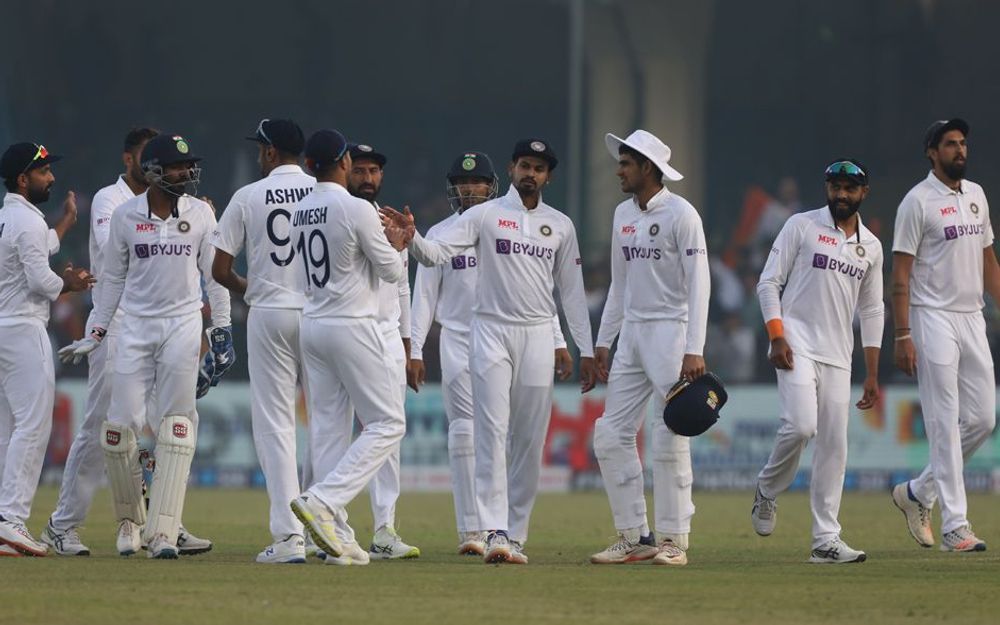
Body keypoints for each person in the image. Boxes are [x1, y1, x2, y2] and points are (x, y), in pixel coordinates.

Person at [389, 138, 596, 565]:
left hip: (537, 333)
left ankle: (515, 533)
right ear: (513, 168)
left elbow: (568, 293)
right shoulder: (485, 215)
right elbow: (435, 256)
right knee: (488, 431)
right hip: (489, 332)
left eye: (538, 168)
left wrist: (583, 347)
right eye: (524, 165)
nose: (530, 174)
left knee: (529, 438)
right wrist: (412, 240)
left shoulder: (560, 225)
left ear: (548, 176)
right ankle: (492, 529)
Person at [58, 133, 233, 559]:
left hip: (183, 324)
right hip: (134, 327)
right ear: (154, 171)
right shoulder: (124, 216)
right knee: (119, 431)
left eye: (187, 166)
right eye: (176, 167)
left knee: (176, 427)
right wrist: (96, 333)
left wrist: (222, 331)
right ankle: (129, 522)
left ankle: (164, 533)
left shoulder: (203, 215)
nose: (185, 173)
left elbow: (215, 278)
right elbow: (112, 280)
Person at [751, 159, 883, 564]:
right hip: (796, 343)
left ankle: (825, 540)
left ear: (863, 193)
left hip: (839, 355)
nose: (841, 195)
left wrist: (873, 372)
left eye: (850, 188)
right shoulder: (801, 226)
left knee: (833, 446)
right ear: (826, 189)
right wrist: (777, 335)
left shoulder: (872, 247)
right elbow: (768, 282)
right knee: (800, 426)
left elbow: (873, 309)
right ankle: (768, 488)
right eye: (835, 187)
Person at [588, 130, 710, 567]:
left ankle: (675, 540)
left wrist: (694, 348)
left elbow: (700, 284)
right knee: (610, 434)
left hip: (670, 333)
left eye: (626, 164)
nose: (619, 170)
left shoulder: (682, 214)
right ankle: (636, 535)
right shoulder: (622, 213)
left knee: (669, 434)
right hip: (633, 337)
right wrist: (605, 339)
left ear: (648, 168)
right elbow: (619, 284)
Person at [288, 129, 409, 567]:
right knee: (388, 423)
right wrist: (399, 244)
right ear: (342, 162)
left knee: (328, 429)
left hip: (313, 321)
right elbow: (392, 271)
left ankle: (337, 536)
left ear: (308, 166)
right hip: (350, 323)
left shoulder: (301, 207)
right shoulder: (355, 207)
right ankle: (323, 500)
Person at [890, 119, 995, 553]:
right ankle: (956, 525)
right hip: (932, 317)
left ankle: (918, 492)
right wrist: (902, 334)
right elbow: (899, 274)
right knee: (944, 424)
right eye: (951, 144)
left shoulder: (976, 195)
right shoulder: (916, 202)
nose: (960, 150)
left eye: (963, 143)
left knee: (983, 419)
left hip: (973, 316)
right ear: (932, 152)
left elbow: (990, 260)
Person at [212, 118, 314, 564]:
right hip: (323, 314)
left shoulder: (248, 196)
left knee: (275, 424)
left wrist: (247, 288)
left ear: (272, 152)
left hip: (269, 311)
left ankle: (290, 537)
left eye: (261, 148)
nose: (258, 155)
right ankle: (331, 529)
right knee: (328, 423)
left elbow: (216, 269)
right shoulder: (326, 191)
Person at [0, 142, 95, 557]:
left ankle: (3, 522)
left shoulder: (9, 218)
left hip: (4, 330)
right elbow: (42, 279)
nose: (51, 178)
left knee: (8, 429)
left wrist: (66, 224)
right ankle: (11, 520)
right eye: (42, 172)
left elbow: (41, 247)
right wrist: (71, 284)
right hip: (24, 330)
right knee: (33, 425)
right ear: (23, 179)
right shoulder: (25, 223)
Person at [341, 141, 419, 559]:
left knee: (389, 434)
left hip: (388, 338)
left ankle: (385, 529)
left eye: (374, 172)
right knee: (334, 429)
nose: (368, 179)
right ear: (345, 170)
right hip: (350, 331)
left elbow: (401, 286)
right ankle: (330, 521)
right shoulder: (342, 214)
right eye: (361, 171)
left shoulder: (390, 219)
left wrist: (409, 349)